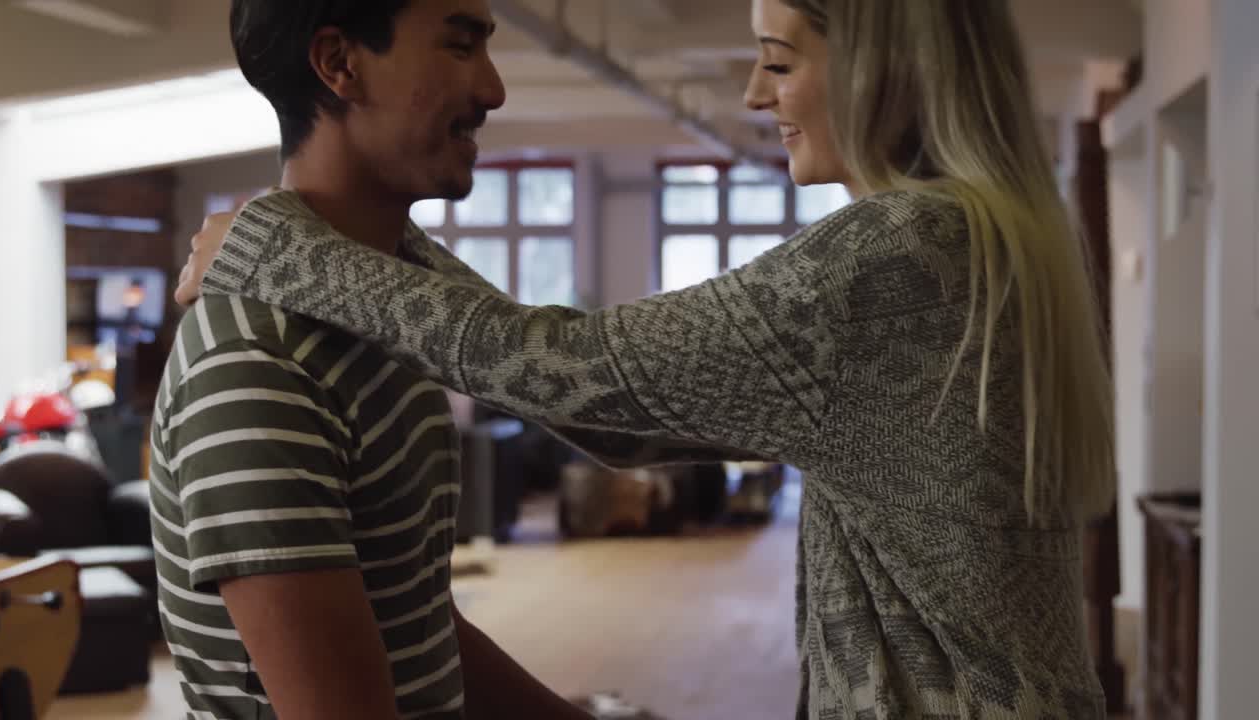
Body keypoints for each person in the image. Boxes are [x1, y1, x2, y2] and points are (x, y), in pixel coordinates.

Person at [179, 0, 1117, 717]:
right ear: (339, 64)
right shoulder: (988, 232)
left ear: (886, 62)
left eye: (779, 61)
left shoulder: (909, 252)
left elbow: (585, 385)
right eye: (462, 43)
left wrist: (290, 249)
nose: (754, 93)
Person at [150, 1, 608, 718]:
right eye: (460, 48)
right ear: (339, 64)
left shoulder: (389, 314)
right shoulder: (256, 360)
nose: (493, 90)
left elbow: (420, 625)